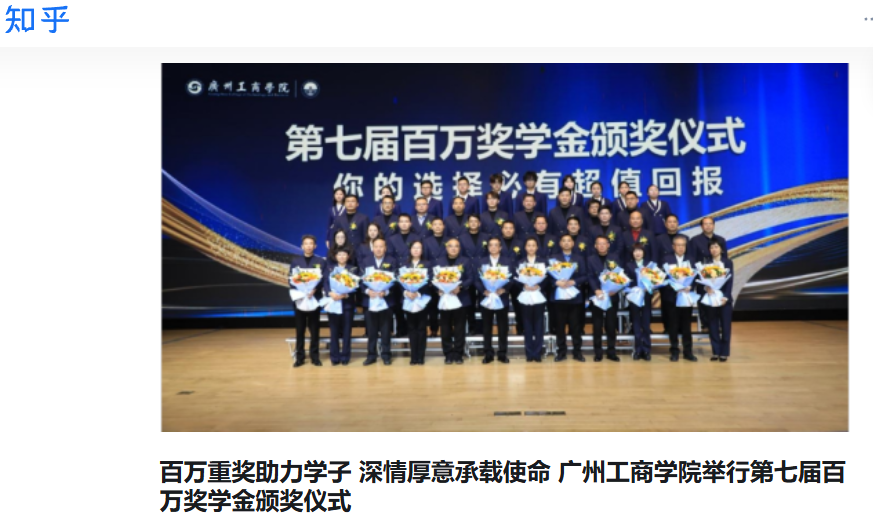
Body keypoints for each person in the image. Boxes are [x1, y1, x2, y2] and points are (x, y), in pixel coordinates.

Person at [435, 238, 473, 364]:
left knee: (459, 328)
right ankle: (448, 353)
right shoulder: (439, 261)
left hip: (460, 298)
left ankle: (458, 353)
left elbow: (470, 278)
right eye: (450, 246)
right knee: (445, 327)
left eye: (456, 246)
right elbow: (433, 278)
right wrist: (439, 289)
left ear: (459, 248)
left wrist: (460, 287)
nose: (453, 248)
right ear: (446, 248)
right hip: (444, 298)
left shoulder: (465, 261)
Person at [290, 235, 326, 367]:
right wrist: (301, 290)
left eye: (311, 243)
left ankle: (315, 357)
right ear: (302, 246)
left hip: (314, 299)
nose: (309, 246)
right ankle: (299, 357)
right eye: (306, 243)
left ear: (315, 246)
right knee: (300, 330)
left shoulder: (320, 261)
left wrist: (314, 289)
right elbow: (291, 279)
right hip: (300, 299)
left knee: (314, 330)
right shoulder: (296, 261)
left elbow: (323, 279)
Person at [360, 237, 397, 366]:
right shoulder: (365, 261)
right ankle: (371, 355)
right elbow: (360, 280)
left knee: (386, 330)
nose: (379, 249)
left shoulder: (392, 261)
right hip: (370, 300)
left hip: (386, 300)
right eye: (376, 246)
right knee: (371, 331)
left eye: (381, 246)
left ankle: (386, 355)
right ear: (372, 248)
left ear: (385, 248)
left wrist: (386, 291)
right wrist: (367, 291)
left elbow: (396, 281)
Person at [476, 237, 513, 364]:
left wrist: (504, 289)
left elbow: (512, 278)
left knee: (503, 327)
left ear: (500, 247)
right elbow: (476, 279)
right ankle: (488, 353)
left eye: (496, 245)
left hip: (501, 298)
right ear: (488, 247)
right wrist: (483, 290)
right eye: (491, 245)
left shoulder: (507, 261)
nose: (493, 247)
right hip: (486, 298)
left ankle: (502, 353)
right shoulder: (481, 261)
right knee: (486, 327)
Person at [688, 216, 729, 331]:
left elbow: (725, 259)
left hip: (718, 276)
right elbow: (692, 259)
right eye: (705, 224)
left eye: (710, 223)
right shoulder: (695, 240)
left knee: (718, 298)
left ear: (714, 225)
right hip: (703, 277)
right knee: (703, 300)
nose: (708, 226)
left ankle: (718, 324)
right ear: (701, 226)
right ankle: (705, 324)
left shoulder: (721, 240)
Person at [661, 234, 697, 362]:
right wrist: (675, 287)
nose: (681, 248)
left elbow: (696, 276)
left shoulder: (691, 259)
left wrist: (690, 286)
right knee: (673, 326)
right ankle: (674, 351)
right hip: (672, 297)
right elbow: (663, 278)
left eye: (683, 245)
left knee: (686, 326)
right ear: (673, 246)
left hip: (686, 296)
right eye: (678, 245)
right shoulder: (666, 259)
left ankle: (688, 352)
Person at [551, 234, 587, 362]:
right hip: (559, 296)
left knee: (575, 326)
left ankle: (577, 352)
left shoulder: (579, 258)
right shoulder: (554, 258)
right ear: (560, 243)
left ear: (573, 243)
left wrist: (574, 282)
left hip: (574, 297)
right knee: (560, 326)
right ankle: (561, 352)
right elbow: (548, 277)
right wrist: (556, 282)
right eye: (564, 241)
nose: (566, 243)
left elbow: (585, 276)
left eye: (569, 241)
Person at [587, 235, 622, 362]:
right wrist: (596, 289)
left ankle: (611, 351)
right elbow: (590, 276)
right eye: (599, 244)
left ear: (608, 245)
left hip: (612, 295)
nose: (601, 246)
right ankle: (598, 352)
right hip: (597, 296)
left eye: (604, 243)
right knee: (597, 325)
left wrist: (615, 289)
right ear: (595, 246)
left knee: (611, 325)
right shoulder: (590, 259)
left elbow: (620, 275)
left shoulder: (615, 257)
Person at [700, 240, 734, 362]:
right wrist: (706, 288)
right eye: (711, 247)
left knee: (725, 327)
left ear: (721, 249)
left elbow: (729, 281)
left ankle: (724, 352)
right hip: (711, 298)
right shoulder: (706, 263)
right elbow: (702, 281)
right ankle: (716, 351)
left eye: (716, 247)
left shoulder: (727, 262)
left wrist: (726, 297)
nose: (714, 249)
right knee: (713, 326)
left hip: (724, 299)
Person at [387, 214, 420, 337]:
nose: (404, 224)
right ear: (398, 224)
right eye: (402, 221)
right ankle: (401, 329)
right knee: (398, 304)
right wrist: (397, 272)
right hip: (398, 274)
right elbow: (390, 257)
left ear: (410, 223)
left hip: (413, 274)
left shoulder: (416, 237)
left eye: (407, 221)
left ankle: (414, 331)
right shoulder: (392, 238)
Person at [323, 247, 357, 366]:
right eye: (339, 254)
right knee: (334, 331)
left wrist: (344, 294)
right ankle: (334, 357)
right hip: (333, 302)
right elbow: (325, 282)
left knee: (347, 331)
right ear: (336, 256)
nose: (342, 257)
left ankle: (345, 356)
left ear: (348, 256)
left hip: (347, 303)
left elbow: (356, 285)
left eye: (344, 254)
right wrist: (330, 293)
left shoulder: (353, 269)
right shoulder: (329, 268)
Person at [517, 237, 547, 362]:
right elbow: (515, 279)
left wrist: (539, 286)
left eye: (533, 245)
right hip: (525, 295)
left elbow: (548, 278)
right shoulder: (520, 262)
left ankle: (538, 352)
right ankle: (529, 352)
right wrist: (523, 285)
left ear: (537, 247)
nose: (531, 248)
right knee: (527, 325)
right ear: (525, 247)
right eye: (528, 245)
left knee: (539, 325)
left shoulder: (543, 262)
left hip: (538, 295)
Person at [403, 241, 431, 365]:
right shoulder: (405, 264)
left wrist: (418, 293)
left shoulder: (427, 264)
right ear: (410, 250)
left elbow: (430, 282)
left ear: (422, 250)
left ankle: (421, 356)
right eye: (414, 247)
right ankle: (413, 356)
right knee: (411, 328)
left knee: (421, 328)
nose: (416, 250)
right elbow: (400, 282)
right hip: (408, 299)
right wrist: (406, 292)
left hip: (422, 300)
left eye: (419, 248)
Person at [459, 214, 487, 334]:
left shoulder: (486, 237)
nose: (473, 223)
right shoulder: (462, 237)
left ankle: (482, 327)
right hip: (468, 272)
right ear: (468, 223)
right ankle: (472, 327)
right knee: (469, 301)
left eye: (476, 221)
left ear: (479, 223)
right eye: (471, 221)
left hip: (483, 273)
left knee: (483, 300)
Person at [626, 243, 653, 361]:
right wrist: (632, 289)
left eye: (640, 250)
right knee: (636, 323)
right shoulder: (628, 265)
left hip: (646, 297)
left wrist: (649, 287)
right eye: (635, 251)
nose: (638, 253)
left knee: (646, 324)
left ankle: (646, 350)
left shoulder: (650, 265)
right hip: (634, 297)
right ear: (632, 253)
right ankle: (638, 349)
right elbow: (626, 282)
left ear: (644, 252)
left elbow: (655, 280)